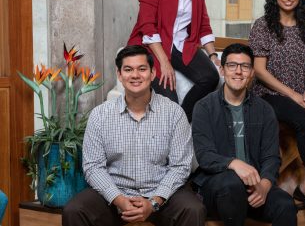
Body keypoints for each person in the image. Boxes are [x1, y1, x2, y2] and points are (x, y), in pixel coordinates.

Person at [63, 45, 206, 226]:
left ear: (153, 73)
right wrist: (119, 199)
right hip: (114, 195)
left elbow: (180, 166)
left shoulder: (174, 113)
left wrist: (154, 202)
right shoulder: (100, 115)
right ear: (119, 74)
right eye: (128, 69)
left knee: (193, 210)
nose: (135, 75)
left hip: (162, 196)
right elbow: (93, 167)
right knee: (74, 210)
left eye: (142, 69)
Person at [248, 0, 305, 214]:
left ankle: (302, 178)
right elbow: (260, 71)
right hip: (268, 94)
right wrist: (293, 95)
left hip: (300, 93)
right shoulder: (263, 25)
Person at [191, 43, 297, 226]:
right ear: (222, 70)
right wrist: (234, 163)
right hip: (216, 189)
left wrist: (264, 185)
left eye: (245, 66)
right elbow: (204, 156)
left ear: (252, 73)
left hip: (253, 189)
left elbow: (271, 157)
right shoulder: (204, 107)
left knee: (285, 205)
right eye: (232, 65)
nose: (238, 71)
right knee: (231, 183)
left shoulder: (264, 110)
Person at [127, 0, 219, 122]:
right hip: (152, 45)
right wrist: (164, 62)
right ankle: (176, 123)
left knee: (210, 77)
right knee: (170, 98)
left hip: (181, 44)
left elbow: (203, 25)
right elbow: (147, 25)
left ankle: (182, 121)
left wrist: (213, 56)